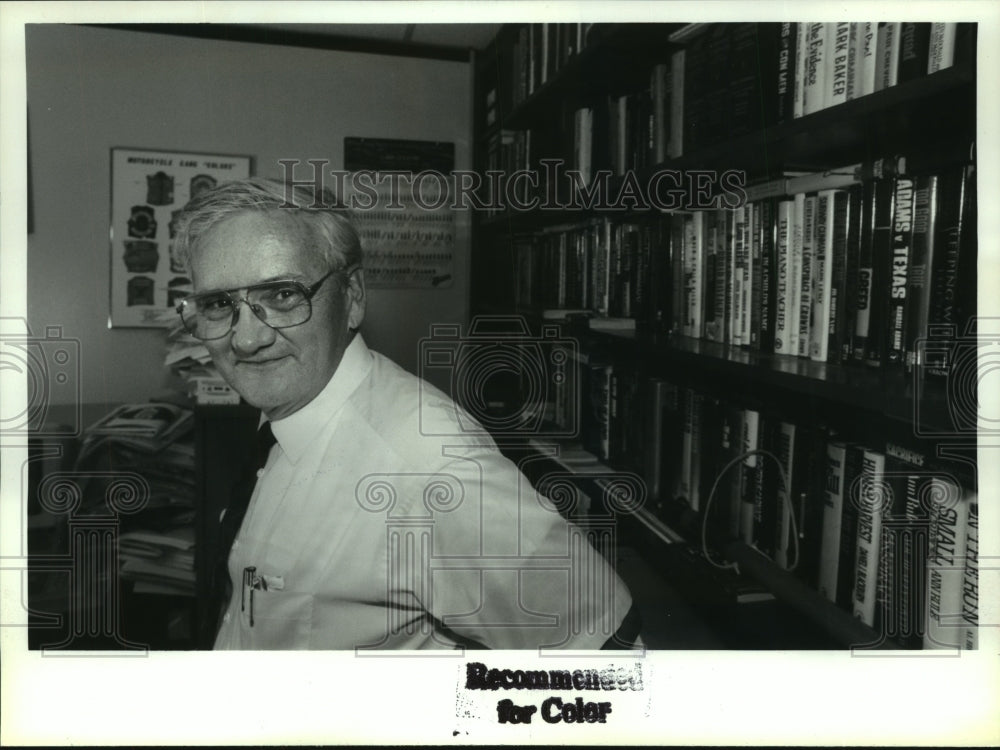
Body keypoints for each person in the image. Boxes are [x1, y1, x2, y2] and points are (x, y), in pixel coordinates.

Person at [173, 177, 638, 650]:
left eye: (283, 295)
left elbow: (611, 671)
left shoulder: (433, 469)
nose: (247, 339)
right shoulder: (288, 412)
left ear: (352, 296)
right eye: (218, 304)